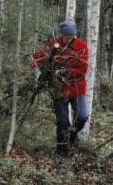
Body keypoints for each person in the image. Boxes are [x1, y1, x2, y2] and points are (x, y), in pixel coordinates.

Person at [31, 20, 89, 156]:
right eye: (67, 36)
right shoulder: (54, 44)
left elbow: (83, 69)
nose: (70, 38)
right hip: (60, 89)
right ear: (62, 35)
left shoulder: (82, 45)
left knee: (82, 117)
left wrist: (65, 71)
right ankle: (61, 152)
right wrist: (36, 70)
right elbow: (35, 58)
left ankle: (72, 138)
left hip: (77, 88)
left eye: (72, 36)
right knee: (63, 122)